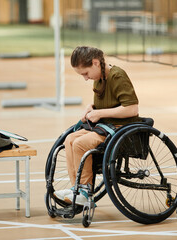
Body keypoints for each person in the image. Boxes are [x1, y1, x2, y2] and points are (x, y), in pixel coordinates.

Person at [54, 46, 140, 205]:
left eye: (85, 73)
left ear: (95, 63)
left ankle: (85, 191)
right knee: (69, 139)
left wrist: (99, 114)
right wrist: (92, 108)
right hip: (106, 126)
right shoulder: (99, 78)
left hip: (120, 128)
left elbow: (132, 108)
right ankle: (76, 189)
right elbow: (106, 104)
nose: (85, 78)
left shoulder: (117, 76)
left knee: (80, 144)